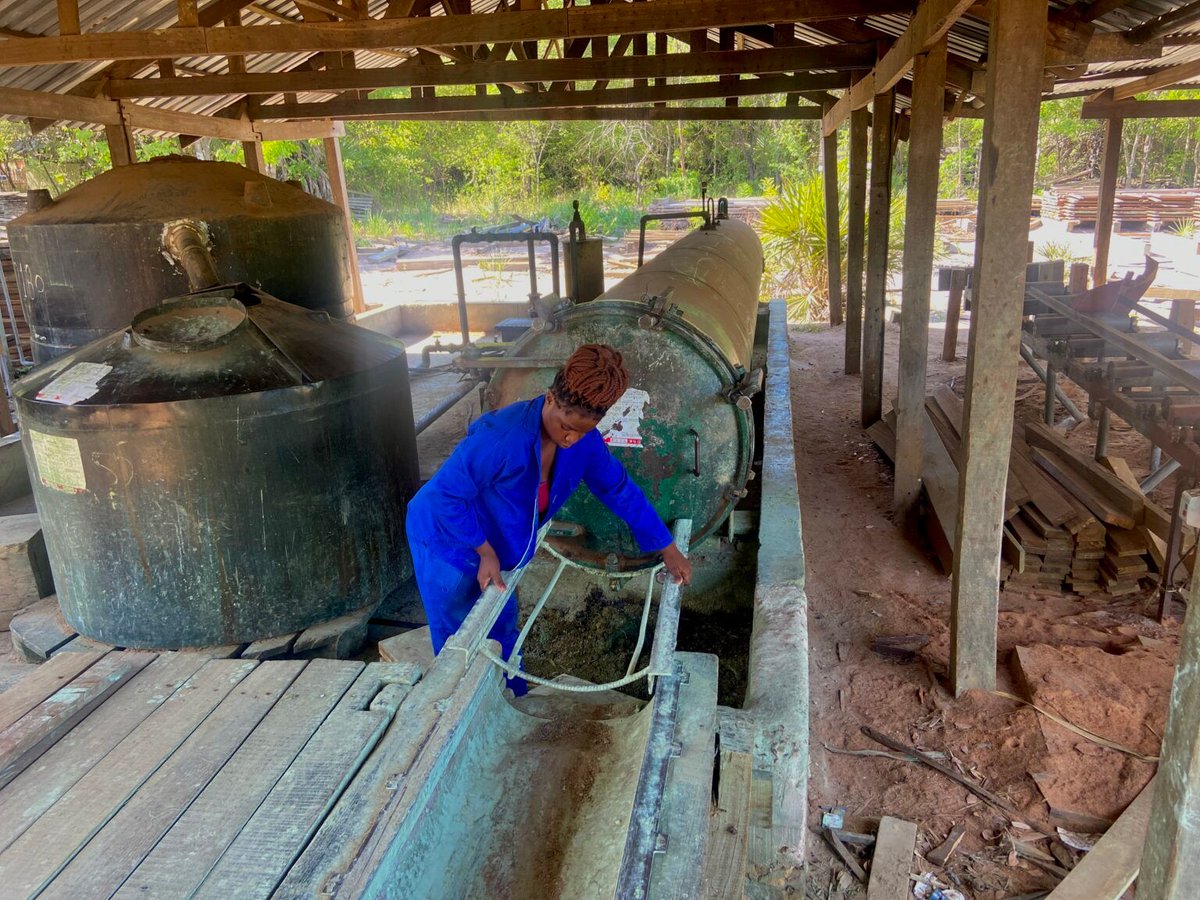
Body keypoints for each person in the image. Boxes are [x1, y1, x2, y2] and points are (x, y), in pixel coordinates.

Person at [405, 344, 692, 691]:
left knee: (500, 622)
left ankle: (511, 696)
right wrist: (484, 552)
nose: (572, 439)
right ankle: (455, 708)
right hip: (444, 538)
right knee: (457, 632)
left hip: (496, 543)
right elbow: (445, 497)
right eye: (566, 427)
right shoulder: (499, 438)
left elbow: (618, 488)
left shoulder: (583, 443)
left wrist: (665, 545)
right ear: (551, 398)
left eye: (584, 431)